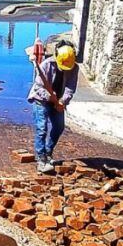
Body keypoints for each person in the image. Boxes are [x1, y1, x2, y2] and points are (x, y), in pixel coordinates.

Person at [27, 42, 79, 174]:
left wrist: (62, 101)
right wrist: (50, 96)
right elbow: (39, 87)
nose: (65, 69)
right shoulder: (46, 65)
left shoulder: (73, 67)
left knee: (59, 127)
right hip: (41, 100)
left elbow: (70, 88)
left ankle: (48, 152)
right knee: (42, 129)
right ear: (56, 57)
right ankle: (41, 158)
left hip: (58, 101)